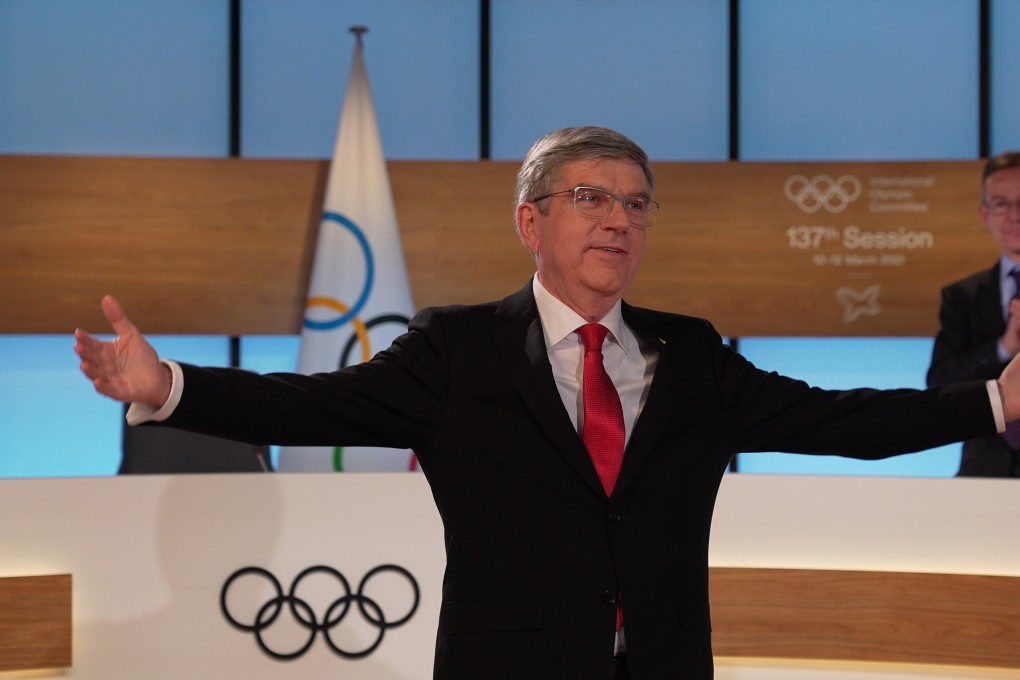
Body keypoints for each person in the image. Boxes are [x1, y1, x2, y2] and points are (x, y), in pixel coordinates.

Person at [76, 126, 1020, 680]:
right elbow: (313, 406)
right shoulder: (457, 349)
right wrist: (167, 387)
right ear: (532, 222)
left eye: (638, 204)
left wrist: (992, 401)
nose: (619, 218)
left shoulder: (690, 351)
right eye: (591, 197)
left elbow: (836, 422)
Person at [927, 150, 1020, 477]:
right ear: (985, 214)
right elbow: (938, 384)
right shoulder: (961, 297)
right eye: (1001, 204)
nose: (1015, 215)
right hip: (984, 470)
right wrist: (1004, 348)